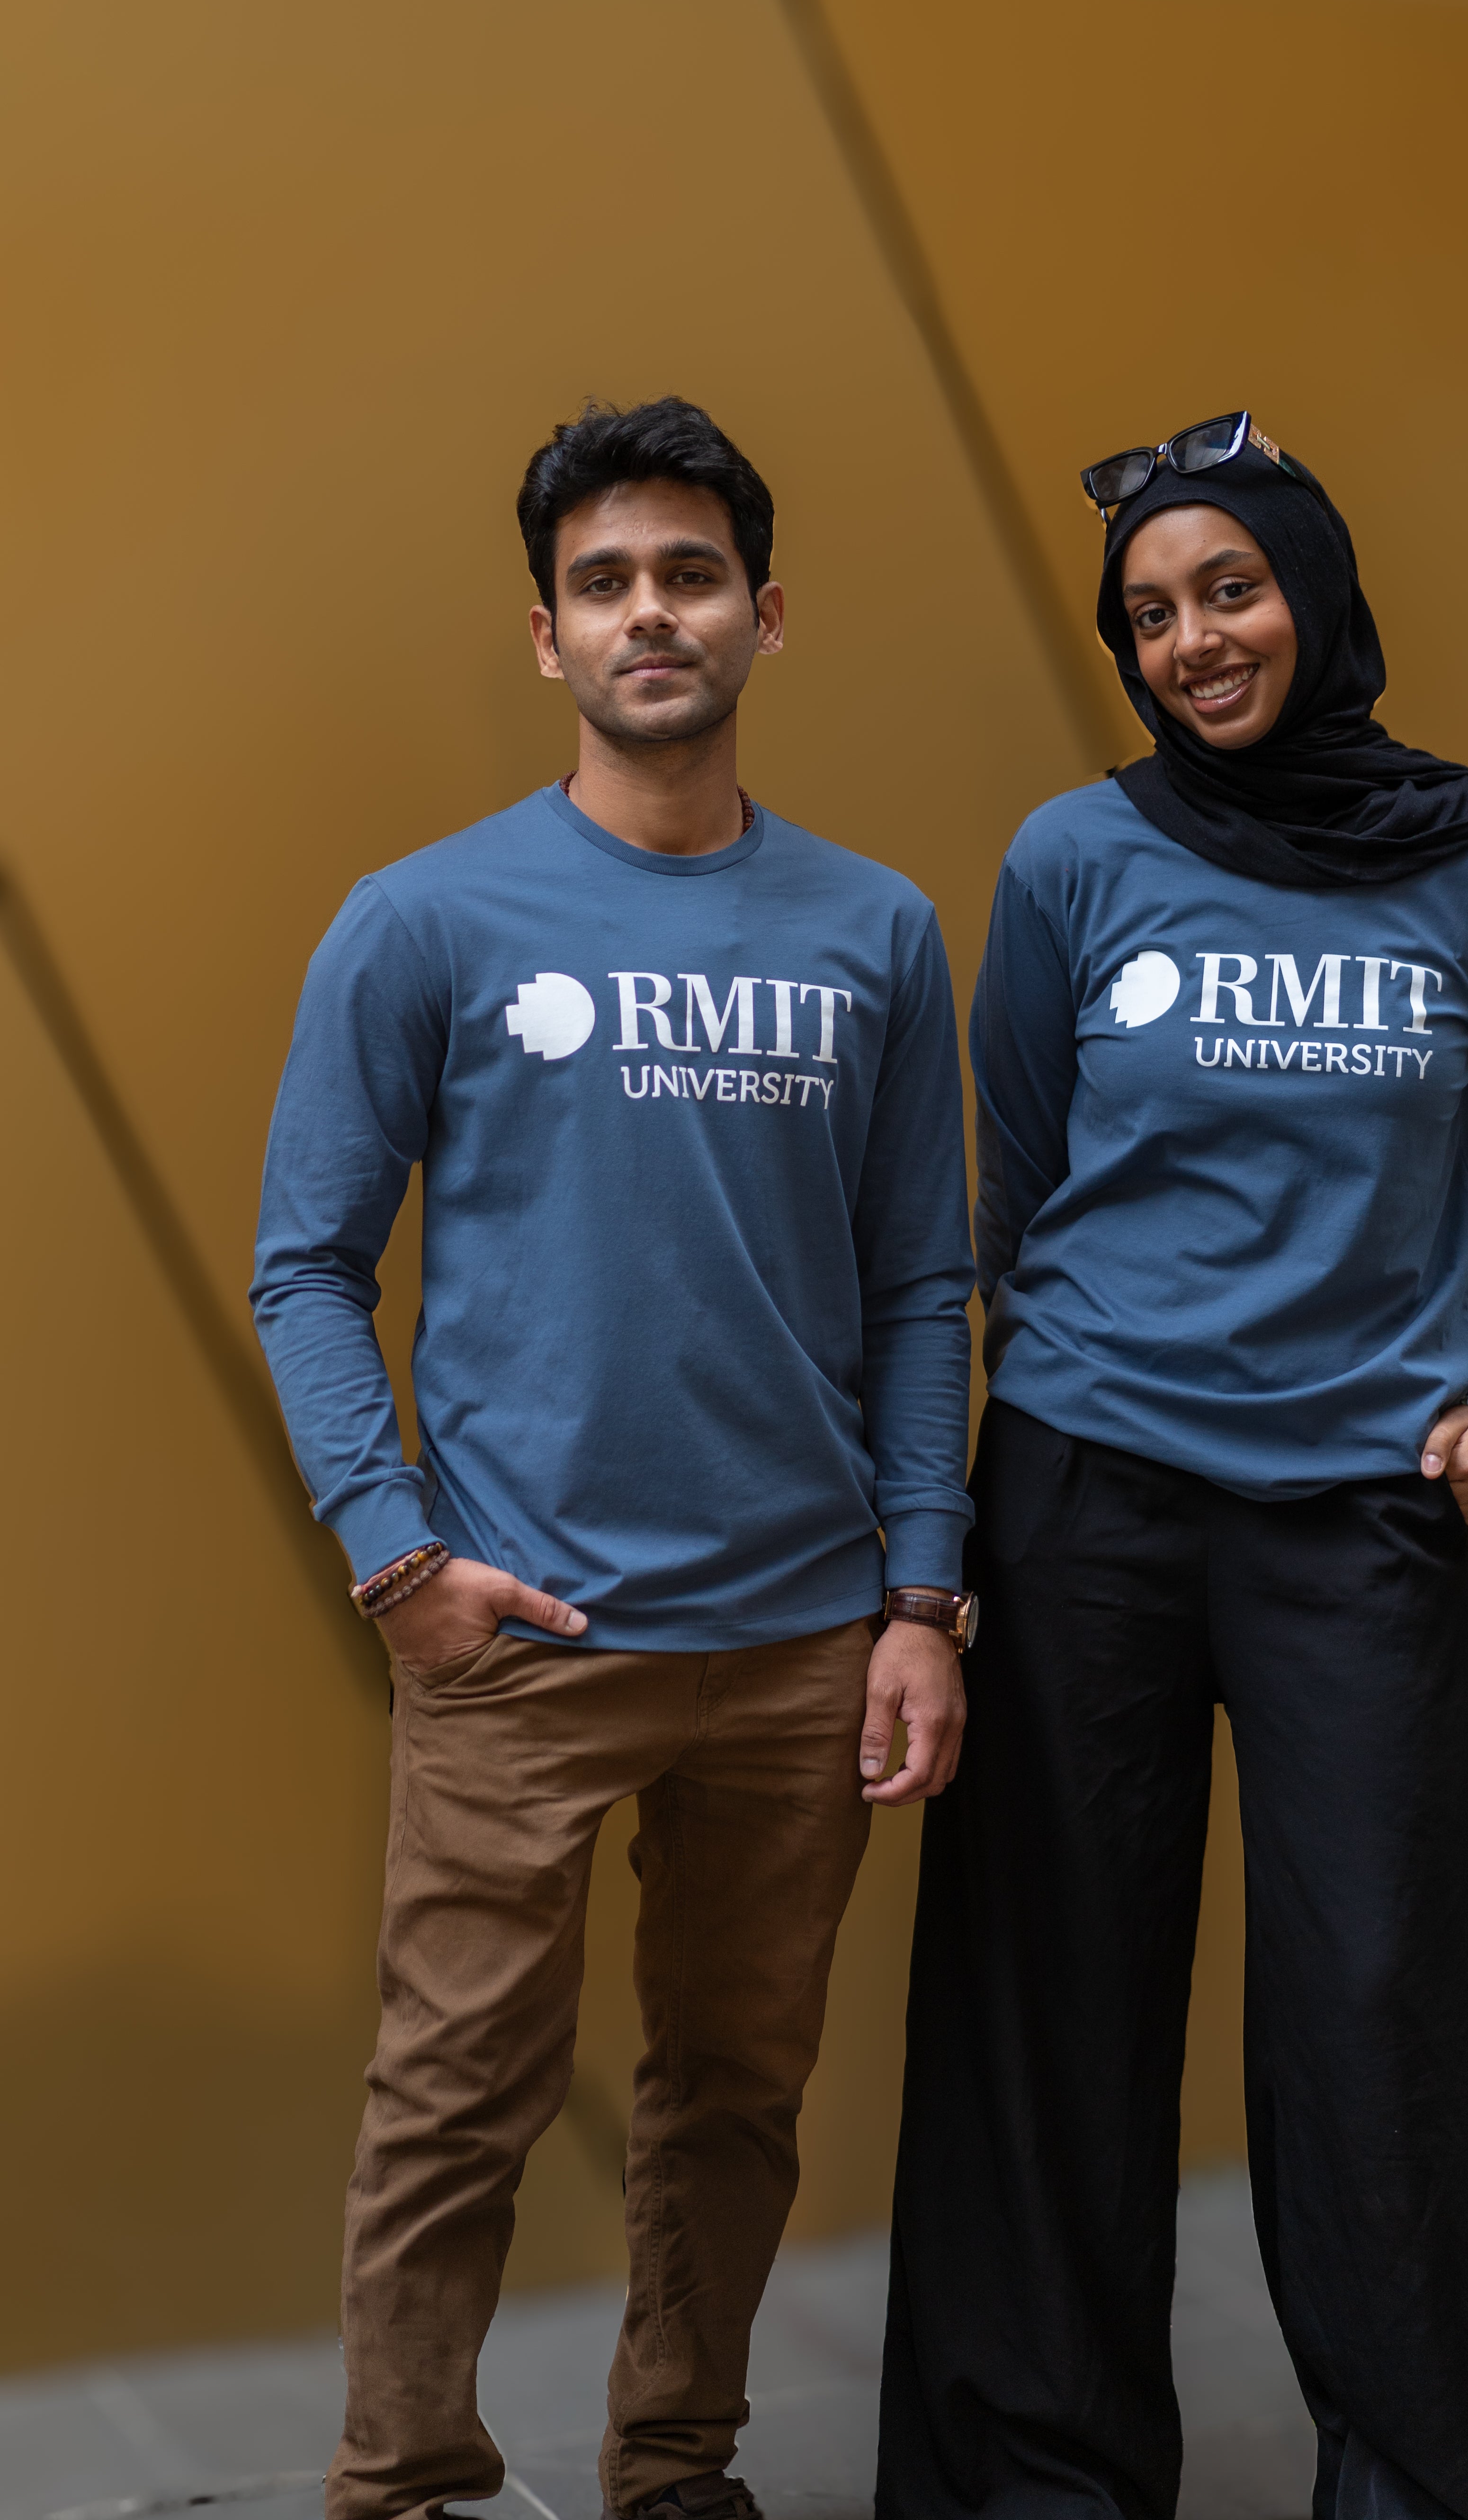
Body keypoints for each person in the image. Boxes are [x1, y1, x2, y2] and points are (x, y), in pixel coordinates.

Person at [876, 413, 1468, 2520]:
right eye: (1148, 614)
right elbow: (1013, 1183)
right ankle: (1033, 2483)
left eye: (1228, 587)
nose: (1193, 640)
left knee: (1374, 2031)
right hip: (1087, 1493)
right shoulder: (1072, 860)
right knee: (1051, 2020)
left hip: (1358, 1521)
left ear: (1313, 584)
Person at [252, 397, 979, 2520]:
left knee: (736, 2094)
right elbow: (307, 1263)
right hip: (519, 1633)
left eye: (687, 574)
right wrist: (398, 1556)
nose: (649, 613)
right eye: (603, 583)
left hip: (797, 1642)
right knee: (453, 2100)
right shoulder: (429, 919)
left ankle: (676, 2471)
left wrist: (918, 1598)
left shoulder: (874, 935)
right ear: (549, 639)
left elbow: (925, 1291)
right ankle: (401, 2486)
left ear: (767, 614)